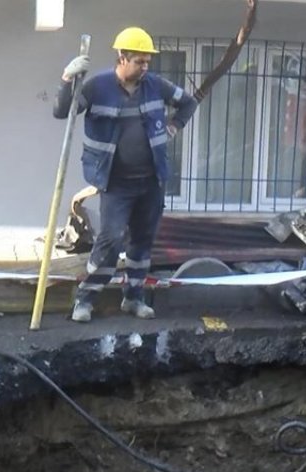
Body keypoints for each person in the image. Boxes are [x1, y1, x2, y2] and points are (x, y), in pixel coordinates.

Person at [53, 27, 198, 323]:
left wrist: (173, 126)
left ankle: (133, 298)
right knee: (111, 239)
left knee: (142, 242)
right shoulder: (96, 87)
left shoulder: (155, 85)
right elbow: (62, 111)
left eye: (147, 62)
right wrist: (68, 79)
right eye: (139, 62)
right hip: (115, 183)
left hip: (151, 181)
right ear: (122, 57)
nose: (145, 68)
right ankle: (85, 300)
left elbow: (189, 102)